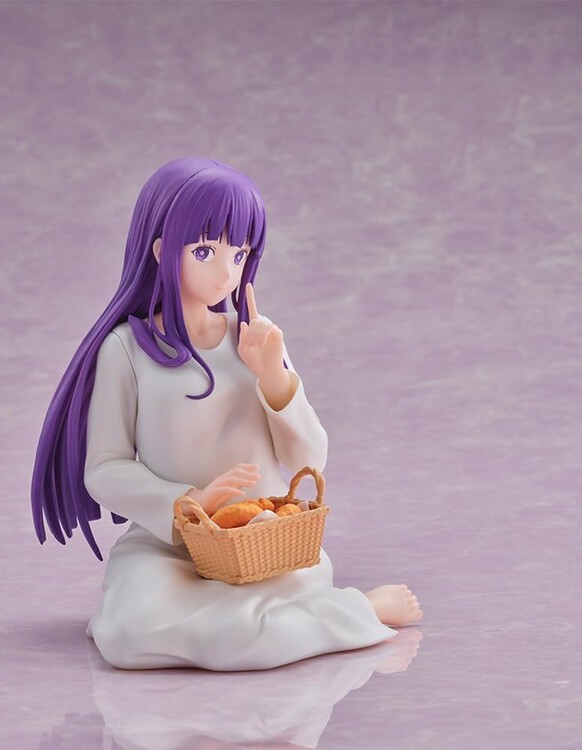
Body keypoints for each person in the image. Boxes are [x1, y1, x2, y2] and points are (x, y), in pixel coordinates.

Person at [31, 158, 423, 670]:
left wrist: (273, 377)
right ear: (161, 251)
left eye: (239, 255)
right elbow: (104, 469)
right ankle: (334, 619)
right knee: (126, 636)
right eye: (204, 252)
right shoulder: (126, 349)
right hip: (170, 547)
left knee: (242, 636)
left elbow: (309, 459)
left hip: (264, 543)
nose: (226, 274)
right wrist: (188, 502)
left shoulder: (255, 337)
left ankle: (357, 609)